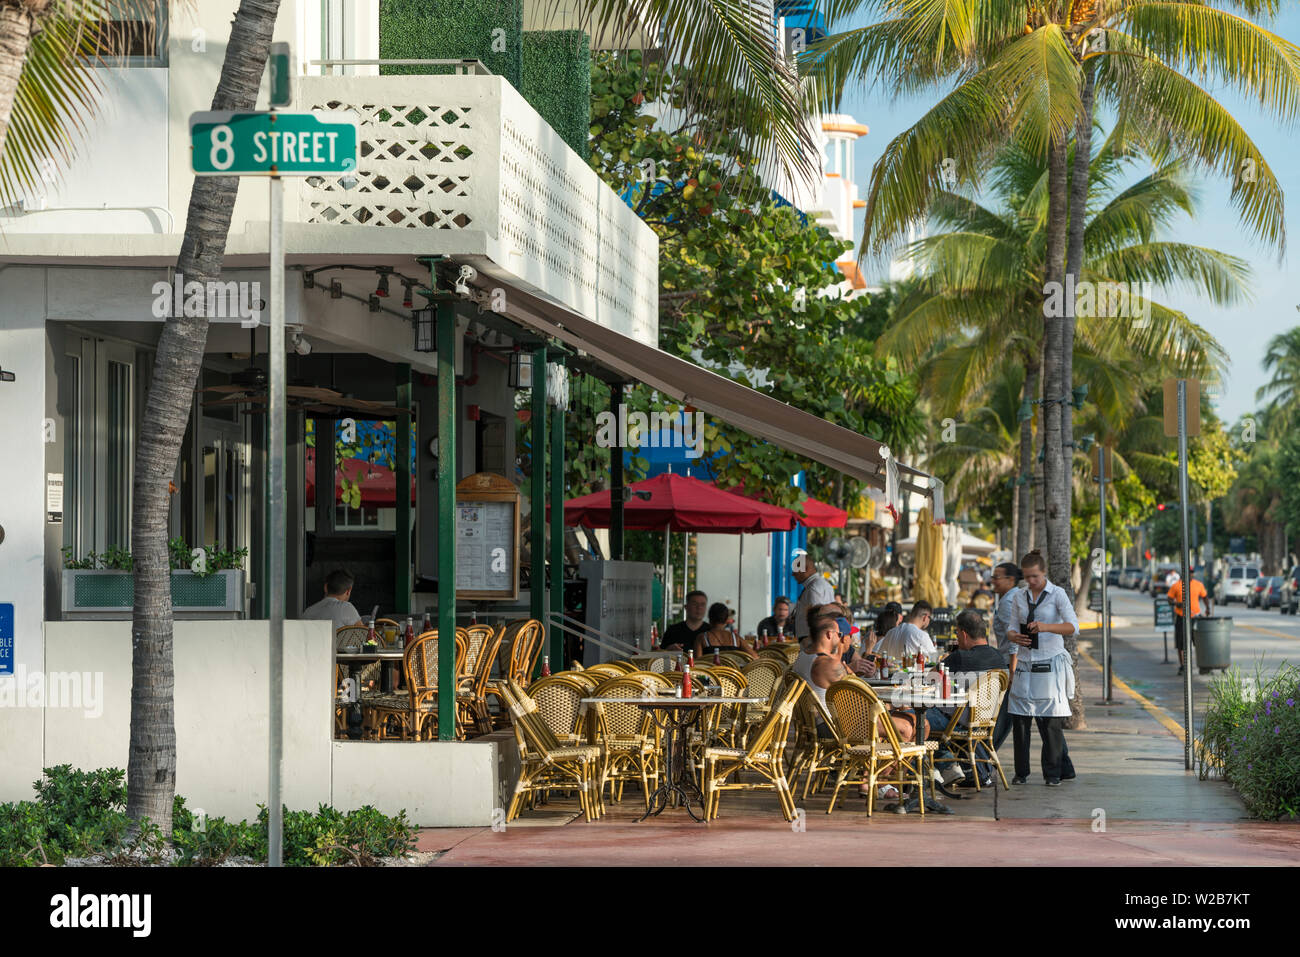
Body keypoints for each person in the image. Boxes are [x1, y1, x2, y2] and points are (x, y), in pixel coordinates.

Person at [1006, 550, 1078, 786]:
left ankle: (1052, 773)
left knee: (1050, 721)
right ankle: (1021, 772)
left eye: (1035, 576)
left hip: (1049, 661)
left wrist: (1046, 627)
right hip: (1026, 661)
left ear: (1043, 572)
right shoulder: (1019, 596)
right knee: (1020, 719)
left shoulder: (1057, 594)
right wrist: (1015, 637)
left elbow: (1072, 627)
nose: (1031, 581)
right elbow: (1010, 628)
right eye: (1027, 577)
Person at [924, 609, 1006, 786]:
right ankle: (949, 767)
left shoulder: (960, 657)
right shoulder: (999, 657)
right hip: (984, 721)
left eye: (957, 634)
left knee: (916, 719)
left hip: (957, 721)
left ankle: (937, 769)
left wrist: (946, 659)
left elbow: (930, 678)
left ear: (963, 633)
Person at [989, 561, 1022, 751]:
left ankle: (987, 758)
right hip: (1013, 665)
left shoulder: (1008, 602)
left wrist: (1012, 671)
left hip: (1011, 667)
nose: (993, 581)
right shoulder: (1012, 598)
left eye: (997, 577)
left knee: (1002, 717)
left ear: (1010, 580)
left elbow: (1013, 641)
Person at [1167, 565, 1210, 676]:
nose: (1189, 574)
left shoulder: (1198, 585)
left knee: (1199, 643)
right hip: (1181, 618)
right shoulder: (1176, 586)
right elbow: (1169, 599)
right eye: (1187, 572)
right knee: (1181, 644)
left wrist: (1208, 608)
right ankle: (1183, 666)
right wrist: (1177, 604)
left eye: (1191, 572)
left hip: (1194, 618)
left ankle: (1203, 666)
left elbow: (1205, 596)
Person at [303, 568, 364, 647]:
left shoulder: (308, 611)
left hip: (312, 657)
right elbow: (364, 636)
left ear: (325, 587)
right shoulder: (346, 607)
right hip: (339, 658)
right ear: (349, 591)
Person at [792, 550, 835, 639]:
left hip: (812, 641)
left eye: (795, 570)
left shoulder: (813, 588)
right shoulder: (822, 585)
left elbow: (817, 617)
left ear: (806, 569)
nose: (793, 574)